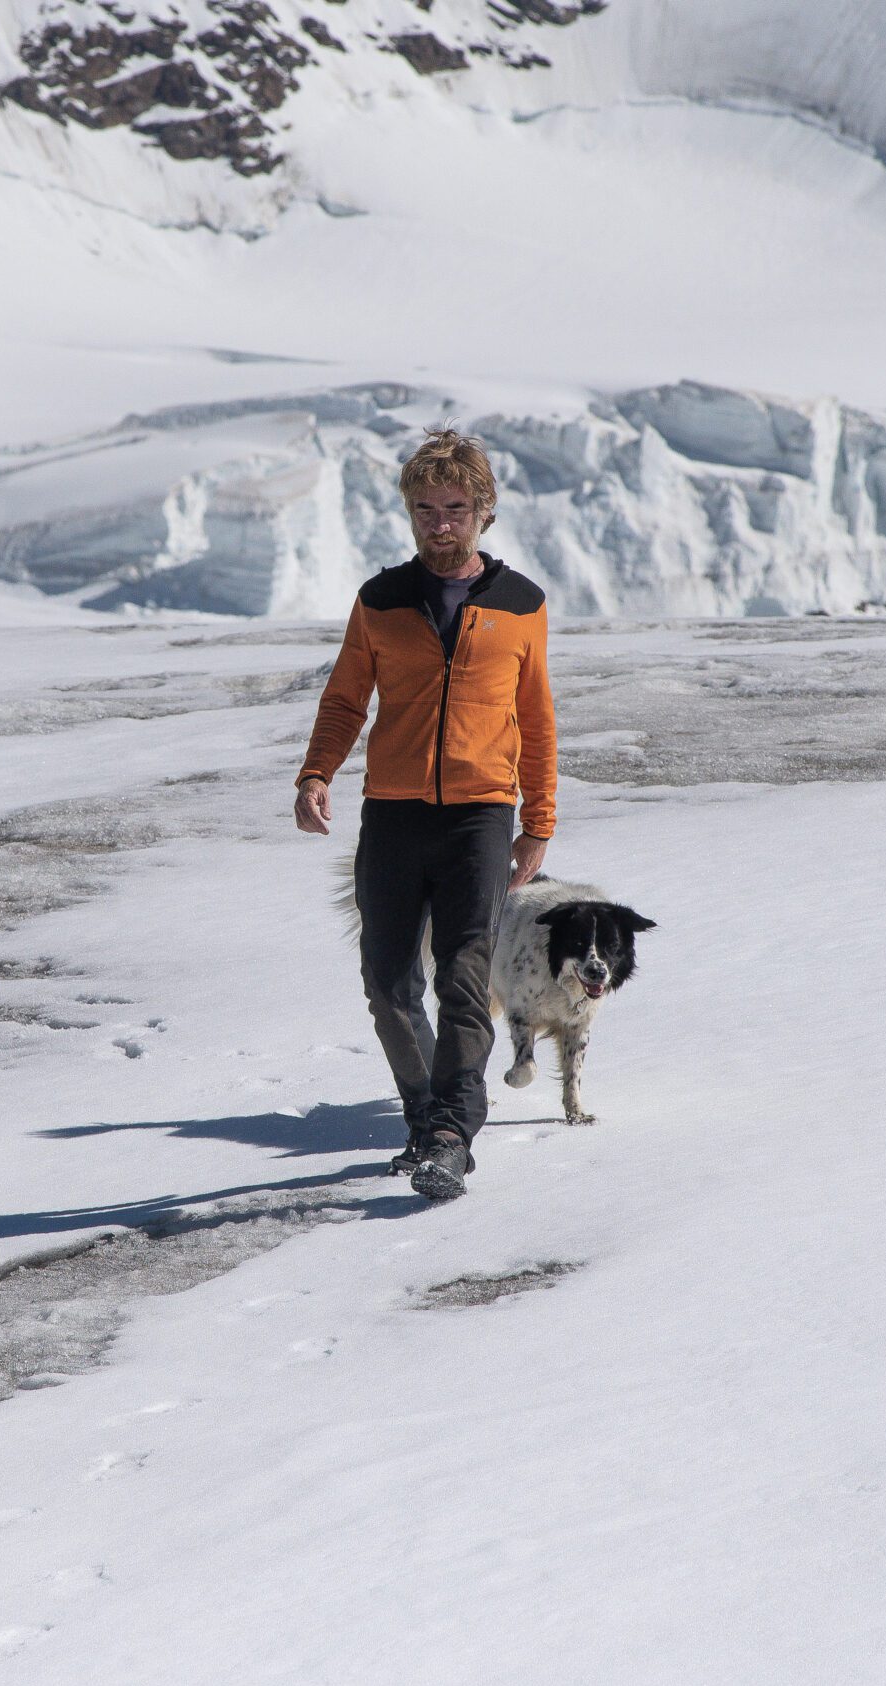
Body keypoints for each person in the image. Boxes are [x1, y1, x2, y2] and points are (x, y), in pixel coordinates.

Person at [293, 430, 557, 1202]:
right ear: (409, 513)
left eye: (454, 509)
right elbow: (346, 699)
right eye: (425, 509)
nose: (440, 524)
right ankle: (423, 1114)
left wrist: (537, 819)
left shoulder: (520, 603)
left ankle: (451, 1131)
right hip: (395, 813)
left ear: (483, 511)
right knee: (387, 979)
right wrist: (317, 773)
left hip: (480, 816)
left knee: (465, 980)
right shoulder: (381, 601)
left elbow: (536, 720)